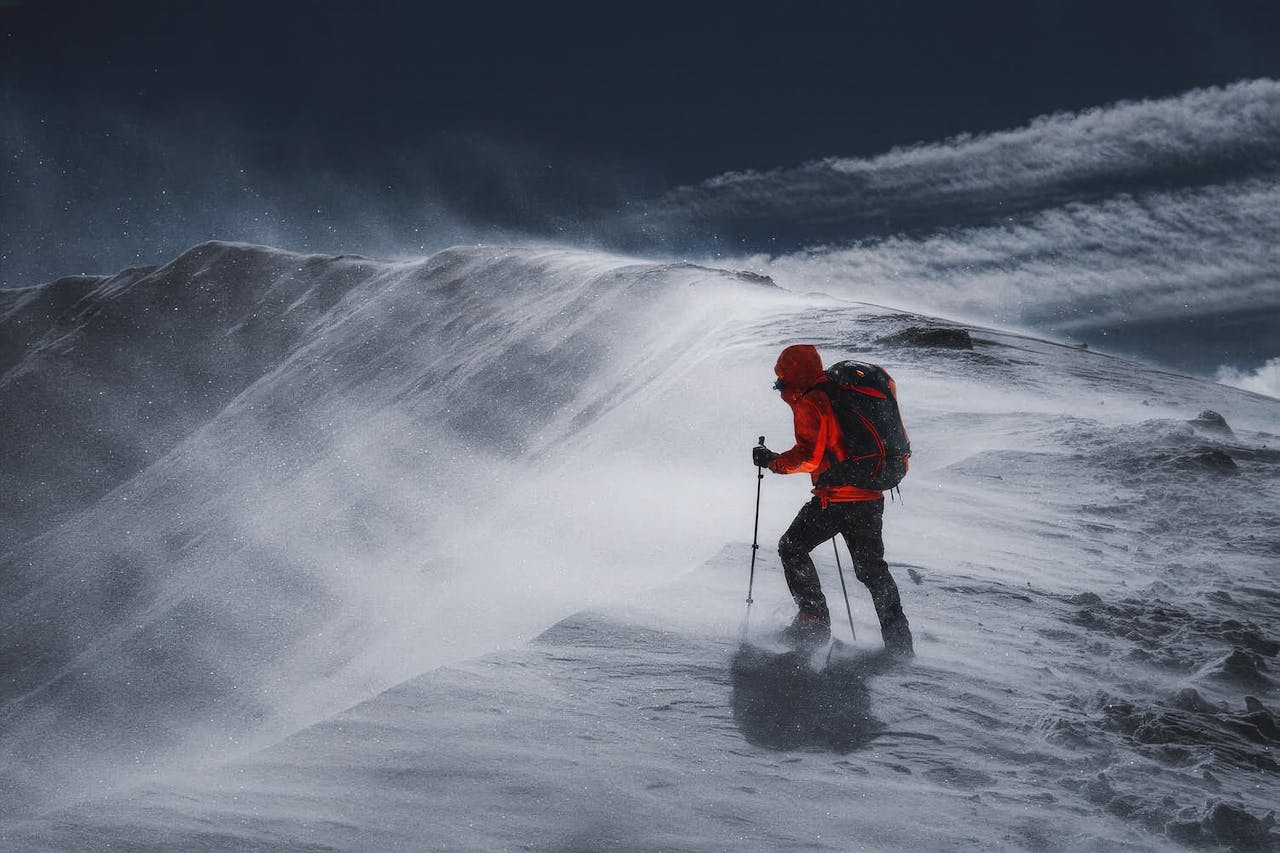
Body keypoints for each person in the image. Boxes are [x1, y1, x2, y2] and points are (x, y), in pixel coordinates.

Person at [752, 344, 914, 656]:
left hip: (836, 499)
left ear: (792, 375)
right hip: (870, 496)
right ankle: (899, 642)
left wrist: (772, 462)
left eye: (781, 379)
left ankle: (813, 621)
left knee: (792, 546)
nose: (781, 386)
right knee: (871, 569)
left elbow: (809, 458)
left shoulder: (813, 399)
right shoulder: (841, 391)